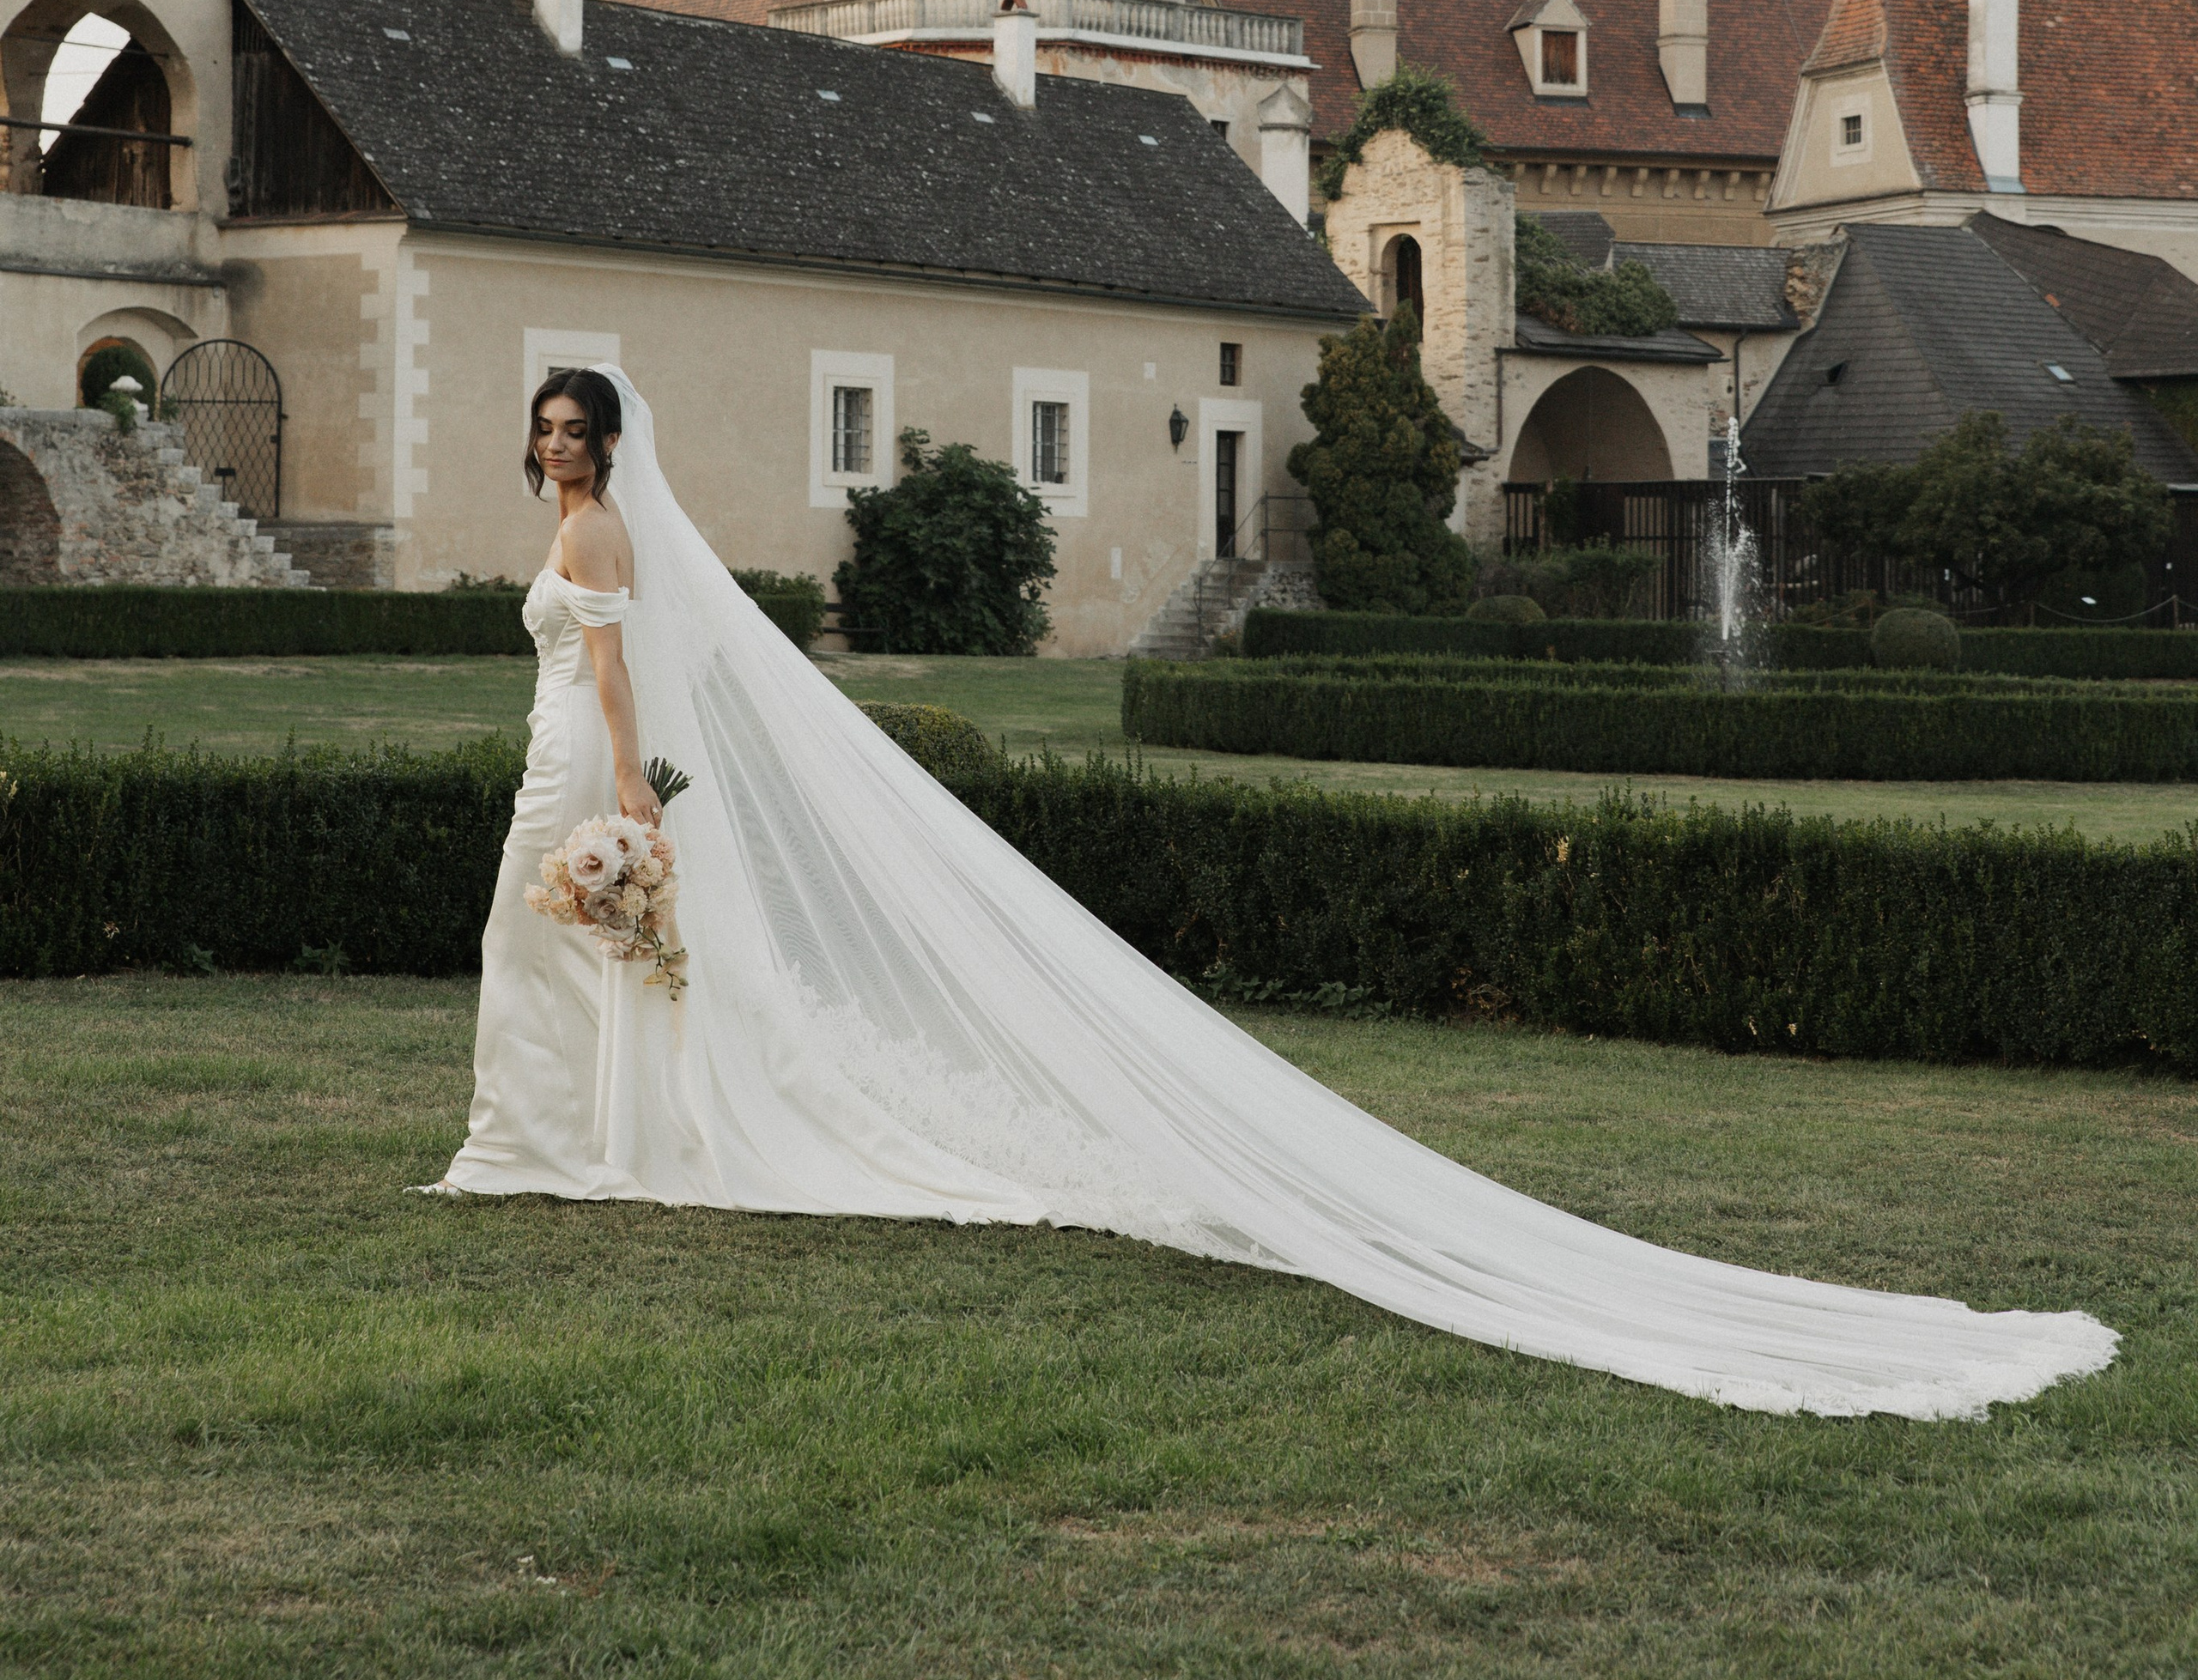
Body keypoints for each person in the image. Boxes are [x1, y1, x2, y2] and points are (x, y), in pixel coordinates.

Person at [434, 364, 2116, 1421]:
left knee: (577, 944)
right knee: (602, 968)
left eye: (575, 431)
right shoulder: (586, 526)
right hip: (567, 762)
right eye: (550, 431)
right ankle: (574, 1138)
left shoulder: (596, 546)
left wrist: (630, 808)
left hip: (578, 769)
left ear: (603, 447)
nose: (559, 449)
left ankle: (558, 1143)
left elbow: (617, 686)